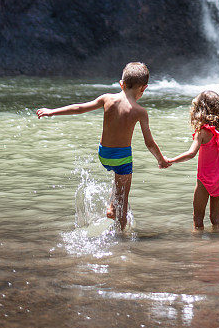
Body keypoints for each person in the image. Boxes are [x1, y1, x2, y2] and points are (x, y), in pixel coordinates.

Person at [36, 61, 168, 229]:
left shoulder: (107, 99)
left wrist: (52, 111)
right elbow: (149, 143)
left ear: (121, 84)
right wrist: (161, 160)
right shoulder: (140, 111)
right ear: (144, 88)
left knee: (117, 179)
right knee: (123, 197)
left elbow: (79, 108)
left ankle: (111, 208)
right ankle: (121, 234)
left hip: (104, 154)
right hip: (122, 157)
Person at [165, 90, 219, 231]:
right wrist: (218, 169)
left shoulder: (202, 132)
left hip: (204, 181)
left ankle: (199, 247)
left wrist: (171, 160)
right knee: (215, 218)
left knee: (198, 219)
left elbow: (191, 153)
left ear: (199, 110)